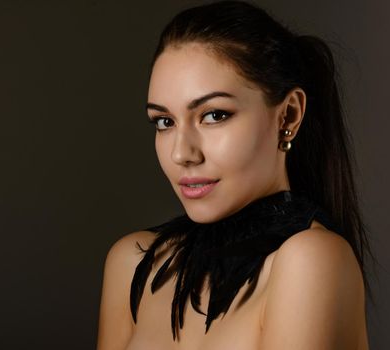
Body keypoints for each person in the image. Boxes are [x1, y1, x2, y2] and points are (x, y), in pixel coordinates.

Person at [96, 1, 374, 349]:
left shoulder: (311, 260)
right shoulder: (133, 262)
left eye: (213, 115)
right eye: (164, 122)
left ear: (287, 116)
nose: (182, 154)